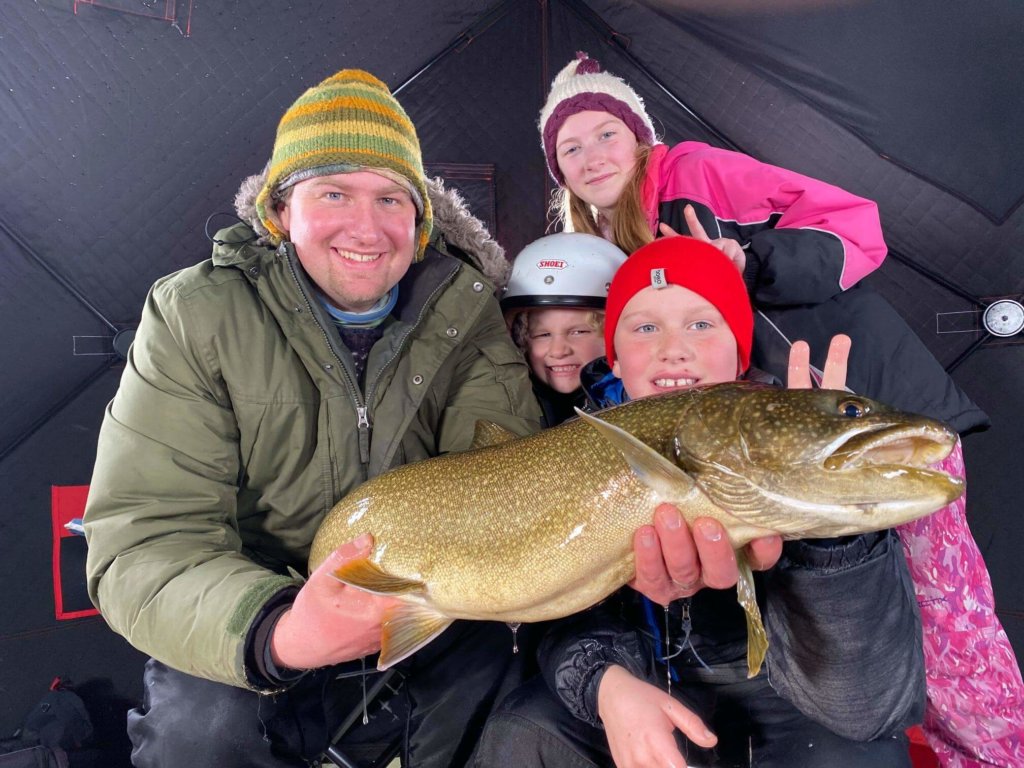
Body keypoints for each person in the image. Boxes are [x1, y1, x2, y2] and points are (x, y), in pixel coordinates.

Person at [537, 52, 1022, 765]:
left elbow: (859, 227)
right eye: (569, 148)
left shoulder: (694, 174)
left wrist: (753, 261)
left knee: (946, 615)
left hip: (867, 411)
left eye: (605, 134)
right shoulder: (607, 240)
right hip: (767, 445)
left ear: (639, 137)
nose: (590, 155)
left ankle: (993, 753)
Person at [82, 69, 548, 768]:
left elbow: (503, 489)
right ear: (280, 211)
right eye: (334, 193)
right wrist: (279, 630)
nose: (366, 227)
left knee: (506, 694)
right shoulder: (194, 315)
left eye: (391, 198)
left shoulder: (468, 312)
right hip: (251, 617)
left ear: (420, 224)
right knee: (198, 737)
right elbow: (144, 538)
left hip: (418, 606)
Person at [475, 236, 925, 768]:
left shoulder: (798, 441)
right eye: (645, 328)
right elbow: (557, 605)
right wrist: (606, 683)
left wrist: (835, 535)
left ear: (740, 351)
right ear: (614, 358)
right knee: (523, 729)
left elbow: (867, 708)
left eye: (701, 324)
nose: (674, 348)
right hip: (646, 680)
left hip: (787, 699)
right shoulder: (574, 441)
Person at [500, 232, 627, 426]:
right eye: (542, 334)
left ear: (615, 335)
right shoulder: (506, 406)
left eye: (579, 332)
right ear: (520, 341)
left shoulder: (632, 401)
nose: (558, 351)